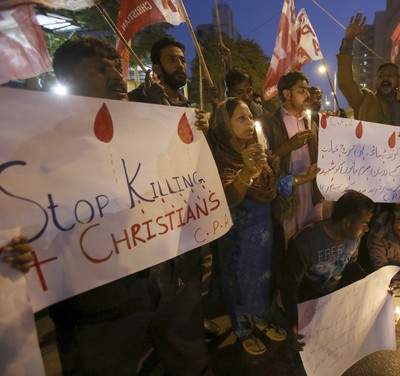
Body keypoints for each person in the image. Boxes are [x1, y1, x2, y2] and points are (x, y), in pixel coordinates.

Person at [37, 37, 212, 375]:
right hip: (98, 303)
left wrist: (192, 141)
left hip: (167, 285)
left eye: (117, 66)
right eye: (101, 69)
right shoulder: (40, 146)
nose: (117, 76)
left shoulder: (145, 129)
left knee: (189, 363)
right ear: (66, 80)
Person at [128, 36, 219, 338]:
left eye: (181, 59)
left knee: (191, 269)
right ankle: (167, 336)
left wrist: (201, 132)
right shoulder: (138, 101)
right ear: (156, 68)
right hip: (153, 207)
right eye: (172, 59)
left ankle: (191, 320)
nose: (180, 65)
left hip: (186, 204)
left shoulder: (184, 106)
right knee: (160, 277)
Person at [207, 98, 297, 356]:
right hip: (237, 239)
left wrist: (302, 177)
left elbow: (271, 187)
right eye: (241, 118)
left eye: (250, 117)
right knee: (238, 281)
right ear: (225, 125)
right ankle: (242, 328)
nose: (249, 122)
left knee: (261, 279)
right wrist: (246, 171)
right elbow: (229, 197)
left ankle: (259, 316)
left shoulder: (256, 151)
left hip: (263, 235)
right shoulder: (219, 156)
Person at [280, 190, 374, 350]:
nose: (367, 230)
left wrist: (374, 283)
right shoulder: (305, 243)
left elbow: (350, 266)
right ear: (346, 223)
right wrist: (295, 322)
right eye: (364, 224)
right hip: (308, 305)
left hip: (333, 304)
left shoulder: (353, 238)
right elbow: (289, 286)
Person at [338, 13, 400, 186]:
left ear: (398, 81)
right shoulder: (364, 100)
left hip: (396, 178)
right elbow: (345, 82)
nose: (386, 78)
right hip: (367, 176)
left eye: (391, 75)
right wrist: (348, 42)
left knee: (392, 214)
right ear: (375, 81)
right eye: (381, 75)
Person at [260, 71, 322, 243]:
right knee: (290, 243)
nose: (308, 95)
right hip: (287, 196)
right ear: (287, 94)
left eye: (308, 90)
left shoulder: (312, 123)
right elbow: (262, 162)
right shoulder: (269, 123)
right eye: (302, 90)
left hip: (311, 192)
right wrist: (288, 146)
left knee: (310, 240)